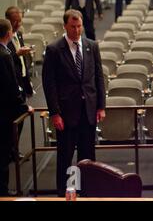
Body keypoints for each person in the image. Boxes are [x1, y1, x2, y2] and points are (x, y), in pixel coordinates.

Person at [42, 10, 106, 197]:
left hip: (88, 110)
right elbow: (49, 84)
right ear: (65, 26)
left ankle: (87, 190)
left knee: (87, 157)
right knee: (65, 157)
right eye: (73, 26)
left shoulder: (91, 46)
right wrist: (54, 113)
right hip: (66, 113)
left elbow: (98, 77)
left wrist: (101, 106)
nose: (77, 30)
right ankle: (63, 193)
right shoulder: (54, 49)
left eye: (79, 26)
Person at [0, 19, 33, 196]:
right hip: (5, 113)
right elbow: (11, 85)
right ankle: (3, 192)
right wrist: (23, 106)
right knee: (3, 155)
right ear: (8, 33)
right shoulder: (5, 55)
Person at [5, 7, 34, 151]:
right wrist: (17, 53)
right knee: (14, 119)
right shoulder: (3, 39)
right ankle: (11, 149)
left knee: (21, 119)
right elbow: (7, 60)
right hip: (12, 84)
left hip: (22, 79)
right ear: (9, 21)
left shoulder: (20, 35)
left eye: (19, 20)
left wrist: (27, 84)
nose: (18, 24)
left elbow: (22, 62)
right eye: (15, 21)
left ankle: (14, 149)